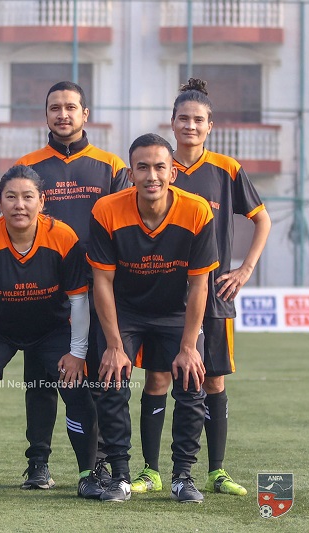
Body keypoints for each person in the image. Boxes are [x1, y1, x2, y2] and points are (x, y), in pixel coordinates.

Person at [130, 79, 271, 497]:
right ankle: (150, 471)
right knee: (157, 378)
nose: (190, 125)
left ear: (211, 125)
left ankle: (216, 472)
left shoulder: (227, 170)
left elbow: (261, 220)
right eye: (183, 118)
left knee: (212, 381)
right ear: (172, 123)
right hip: (161, 296)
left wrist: (245, 269)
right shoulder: (156, 166)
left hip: (212, 295)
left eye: (199, 119)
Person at [0, 165, 100, 499]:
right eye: (11, 197)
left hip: (52, 328)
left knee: (76, 389)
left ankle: (89, 475)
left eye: (27, 197)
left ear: (42, 201)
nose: (19, 205)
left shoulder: (64, 237)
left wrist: (77, 353)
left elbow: (80, 300)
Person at [88, 133, 219, 503]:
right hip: (125, 311)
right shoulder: (107, 210)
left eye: (160, 166)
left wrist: (190, 346)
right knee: (111, 382)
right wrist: (114, 345)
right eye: (142, 167)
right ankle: (120, 477)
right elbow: (102, 281)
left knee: (192, 382)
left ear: (173, 172)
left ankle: (183, 477)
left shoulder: (197, 211)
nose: (151, 175)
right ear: (131, 173)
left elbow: (198, 286)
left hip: (176, 311)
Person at [15, 81, 128, 489]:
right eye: (55, 108)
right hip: (39, 292)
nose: (63, 114)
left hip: (95, 291)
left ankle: (96, 465)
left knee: (93, 384)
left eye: (71, 107)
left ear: (86, 114)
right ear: (46, 115)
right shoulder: (29, 165)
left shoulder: (113, 167)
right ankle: (39, 463)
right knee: (40, 382)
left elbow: (123, 228)